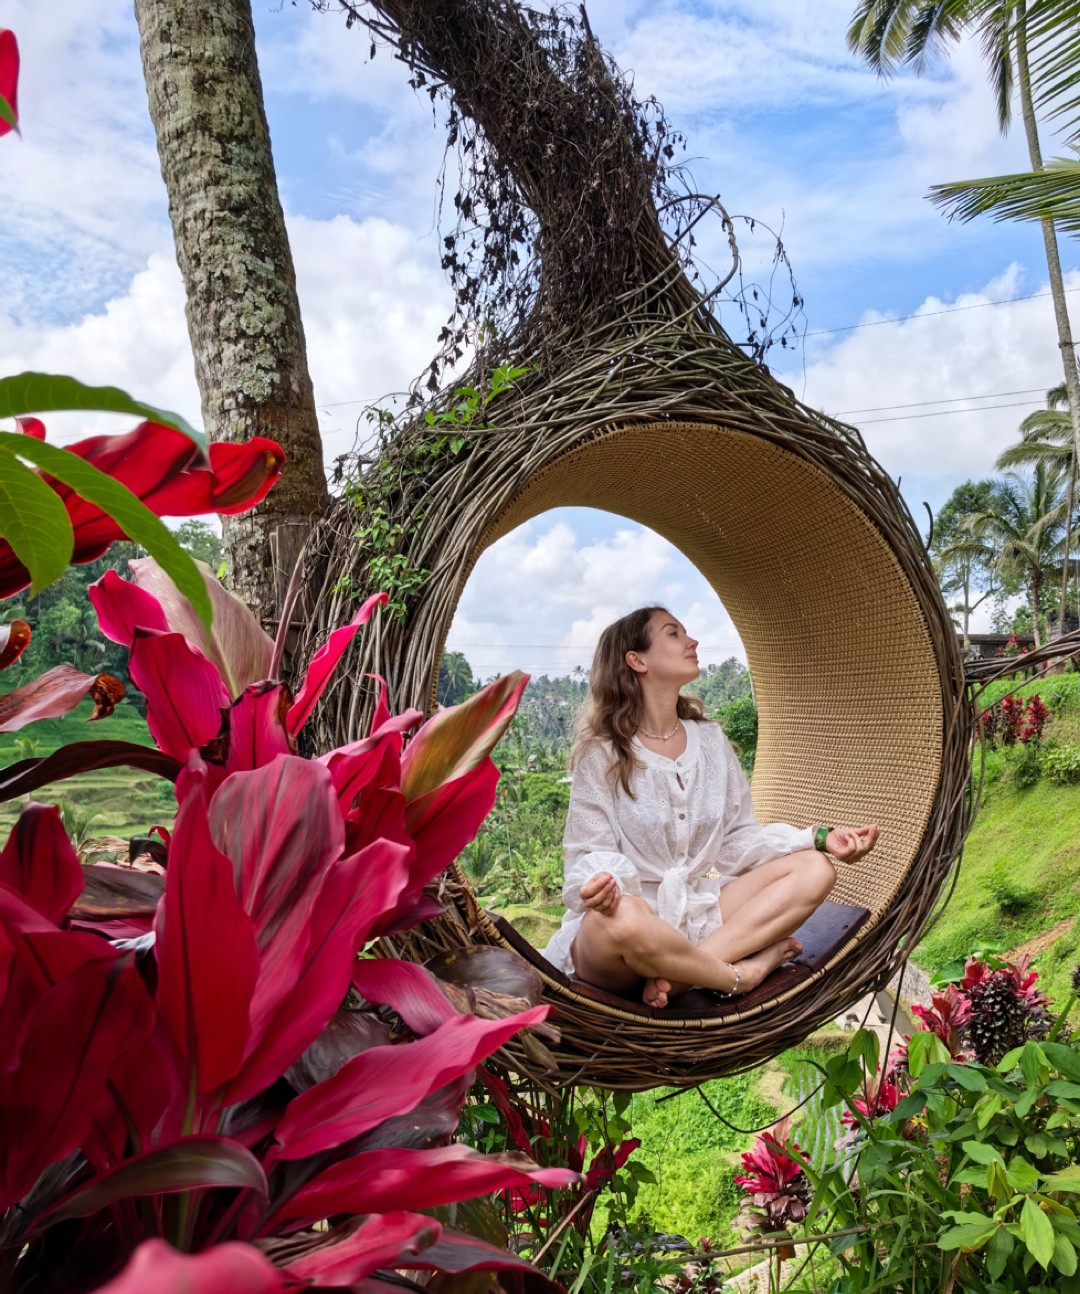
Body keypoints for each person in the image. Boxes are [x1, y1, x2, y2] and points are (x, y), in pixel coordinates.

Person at [543, 607, 880, 1008]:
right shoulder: (602, 752)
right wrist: (599, 887)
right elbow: (587, 853)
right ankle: (740, 975)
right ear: (637, 660)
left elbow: (736, 841)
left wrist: (819, 837)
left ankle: (681, 976)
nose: (692, 641)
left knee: (815, 868)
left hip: (698, 918)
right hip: (624, 944)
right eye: (673, 634)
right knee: (623, 917)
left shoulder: (711, 742)